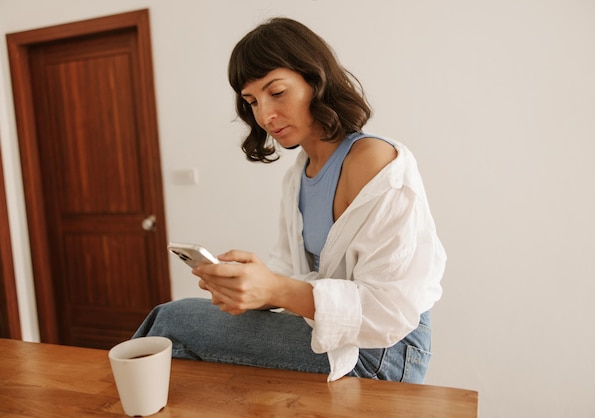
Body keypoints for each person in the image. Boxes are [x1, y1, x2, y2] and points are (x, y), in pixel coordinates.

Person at [134, 17, 446, 384]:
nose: (265, 116)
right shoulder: (297, 175)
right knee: (178, 329)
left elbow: (390, 311)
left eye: (276, 93)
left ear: (316, 81)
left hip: (385, 353)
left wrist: (276, 288)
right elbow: (293, 274)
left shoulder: (375, 162)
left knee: (172, 321)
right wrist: (252, 287)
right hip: (336, 337)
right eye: (252, 101)